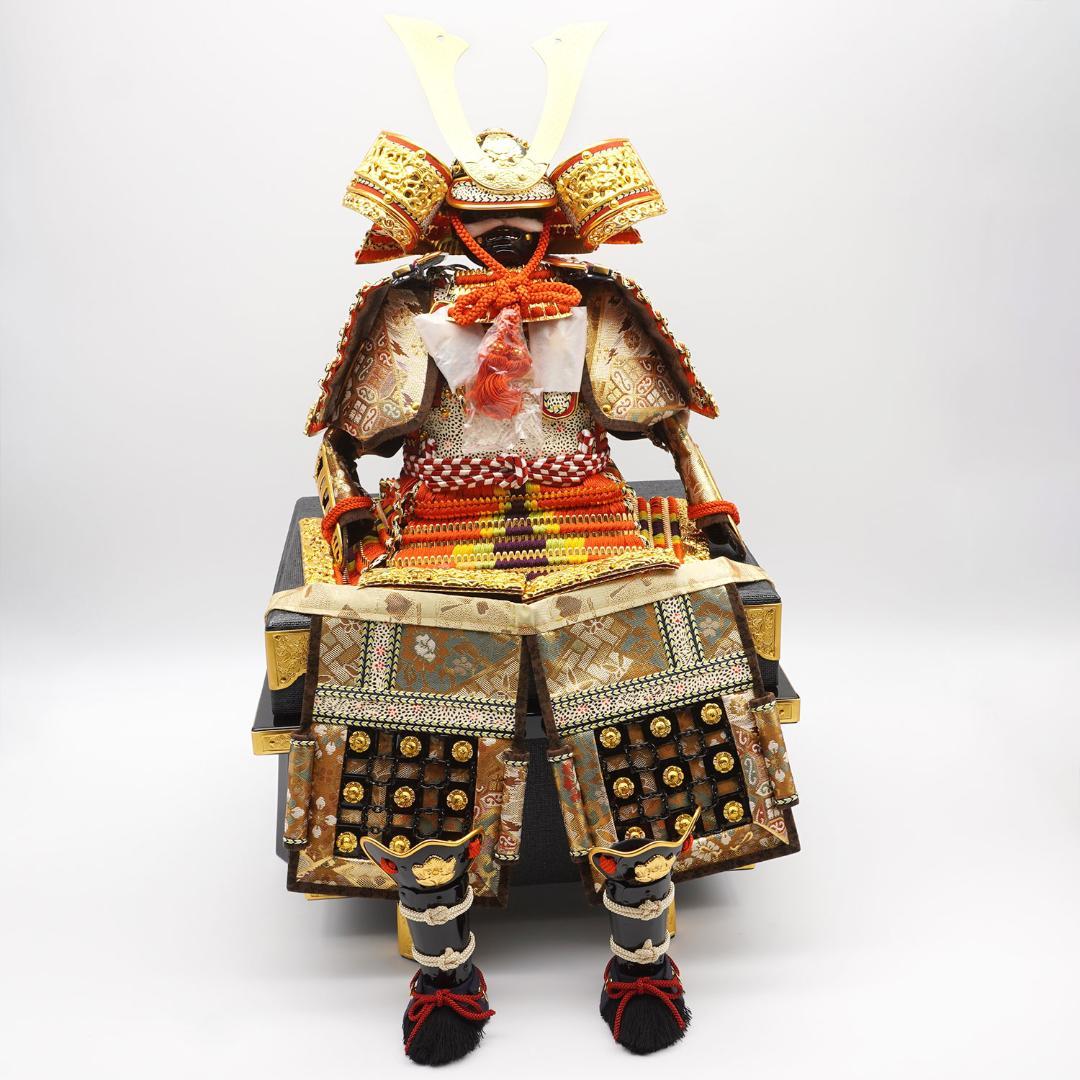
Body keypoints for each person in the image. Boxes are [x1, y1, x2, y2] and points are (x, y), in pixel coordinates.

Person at [270, 17, 799, 1064]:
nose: (510, 238)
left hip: (590, 521)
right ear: (450, 217)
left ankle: (641, 950)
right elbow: (345, 440)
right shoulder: (407, 306)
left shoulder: (596, 302)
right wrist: (348, 514)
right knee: (408, 707)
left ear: (555, 216)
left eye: (526, 220)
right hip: (443, 533)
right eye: (488, 220)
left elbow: (667, 427)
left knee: (657, 691)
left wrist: (713, 522)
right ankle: (442, 964)